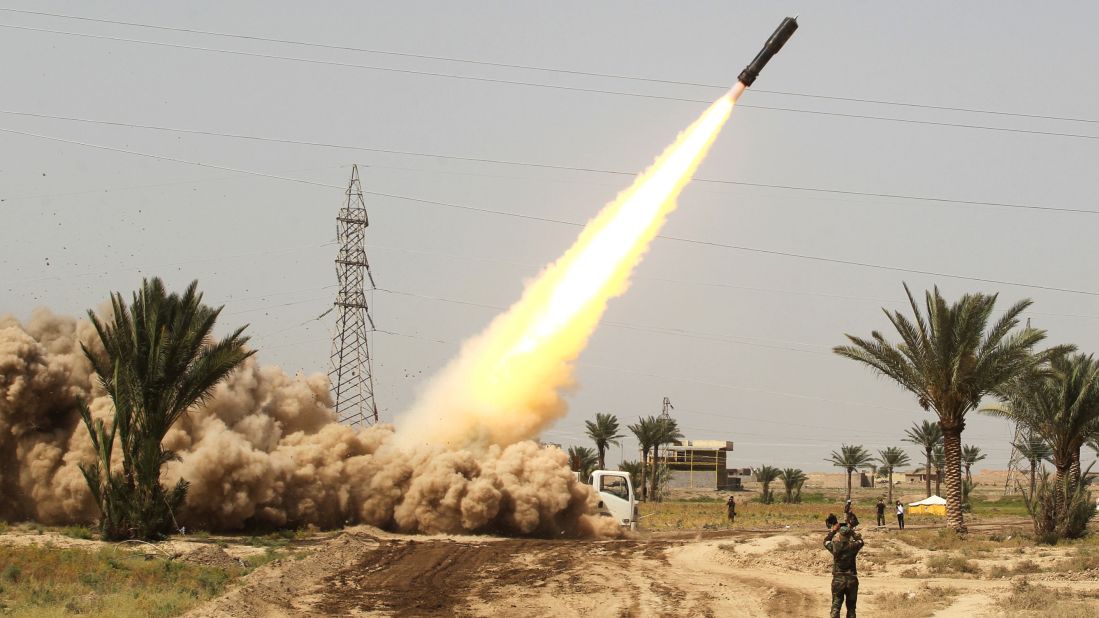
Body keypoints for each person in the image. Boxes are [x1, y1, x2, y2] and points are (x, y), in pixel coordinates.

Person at [824, 518, 864, 618]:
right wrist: (852, 532)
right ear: (849, 535)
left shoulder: (835, 546)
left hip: (838, 579)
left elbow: (826, 541)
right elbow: (860, 541)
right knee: (851, 609)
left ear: (840, 536)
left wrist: (833, 531)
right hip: (851, 579)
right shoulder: (853, 546)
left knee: (836, 606)